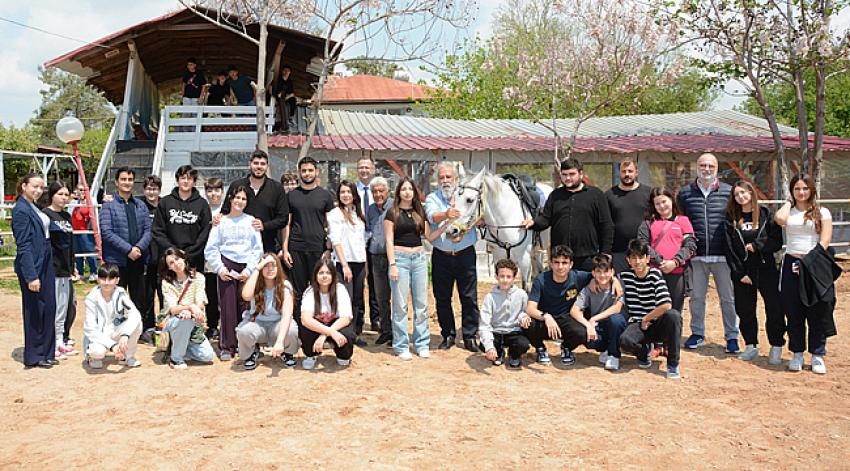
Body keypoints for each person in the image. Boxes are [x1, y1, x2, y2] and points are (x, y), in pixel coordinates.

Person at [677, 153, 739, 352]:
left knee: (728, 298)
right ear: (697, 167)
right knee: (697, 298)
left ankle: (732, 336)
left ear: (717, 168)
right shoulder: (685, 193)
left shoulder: (729, 192)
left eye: (711, 166)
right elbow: (681, 222)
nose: (707, 169)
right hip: (696, 256)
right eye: (703, 165)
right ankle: (697, 333)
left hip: (723, 255)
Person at [774, 174, 836, 374]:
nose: (801, 192)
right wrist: (788, 201)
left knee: (817, 310)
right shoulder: (789, 211)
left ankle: (817, 354)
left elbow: (825, 241)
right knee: (793, 311)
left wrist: (807, 263)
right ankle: (797, 352)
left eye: (805, 188)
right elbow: (779, 219)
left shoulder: (822, 212)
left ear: (812, 190)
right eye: (797, 189)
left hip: (814, 263)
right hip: (791, 261)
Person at [520, 245, 612, 366]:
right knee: (527, 324)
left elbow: (602, 275)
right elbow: (530, 308)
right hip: (545, 321)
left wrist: (614, 281)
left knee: (582, 332)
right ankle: (540, 348)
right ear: (551, 264)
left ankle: (567, 347)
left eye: (564, 262)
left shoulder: (578, 277)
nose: (560, 266)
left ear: (571, 264)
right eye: (556, 262)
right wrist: (546, 316)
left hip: (566, 319)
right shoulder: (541, 279)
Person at [386, 177, 446, 361]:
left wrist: (446, 225)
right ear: (398, 192)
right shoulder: (392, 212)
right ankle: (401, 345)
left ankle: (421, 344)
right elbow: (388, 240)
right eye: (403, 189)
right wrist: (393, 265)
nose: (407, 192)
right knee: (400, 305)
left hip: (419, 259)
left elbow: (429, 236)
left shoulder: (420, 211)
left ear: (414, 192)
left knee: (421, 305)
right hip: (400, 260)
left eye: (410, 189)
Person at [725, 181, 785, 363]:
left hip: (767, 269)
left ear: (751, 192)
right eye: (737, 194)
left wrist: (758, 246)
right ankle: (751, 346)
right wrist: (740, 273)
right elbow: (729, 249)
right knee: (745, 310)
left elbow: (776, 240)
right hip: (744, 273)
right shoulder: (731, 219)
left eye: (744, 192)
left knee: (774, 309)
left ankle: (776, 346)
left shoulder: (766, 214)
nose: (741, 197)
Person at [425, 162, 480, 352]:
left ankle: (470, 336)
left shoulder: (466, 195)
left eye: (449, 177)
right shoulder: (433, 197)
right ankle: (448, 334)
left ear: (456, 179)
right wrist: (446, 214)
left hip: (465, 254)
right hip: (442, 256)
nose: (445, 181)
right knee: (442, 297)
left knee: (469, 297)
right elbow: (432, 216)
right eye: (441, 178)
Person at [522, 157, 614, 271]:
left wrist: (605, 253)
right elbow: (546, 219)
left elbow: (606, 225)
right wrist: (533, 222)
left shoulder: (596, 195)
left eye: (572, 174)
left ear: (581, 174)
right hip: (561, 260)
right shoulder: (555, 196)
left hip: (588, 258)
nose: (568, 178)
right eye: (564, 175)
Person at [204, 186, 264, 361]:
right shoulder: (220, 221)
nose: (240, 201)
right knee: (227, 308)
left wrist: (249, 270)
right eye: (237, 197)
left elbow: (257, 249)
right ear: (230, 199)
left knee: (248, 307)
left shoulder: (251, 221)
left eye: (244, 199)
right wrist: (220, 269)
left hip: (246, 266)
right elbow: (211, 248)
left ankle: (249, 345)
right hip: (226, 265)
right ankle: (228, 346)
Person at [618, 239, 683, 379]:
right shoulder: (624, 276)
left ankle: (673, 364)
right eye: (633, 258)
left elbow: (666, 304)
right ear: (628, 260)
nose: (637, 261)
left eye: (641, 257)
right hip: (637, 324)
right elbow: (606, 279)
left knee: (674, 316)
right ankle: (643, 353)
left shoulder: (655, 275)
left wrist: (647, 318)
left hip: (656, 322)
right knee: (625, 341)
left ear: (647, 259)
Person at [13, 173, 58, 368]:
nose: (38, 191)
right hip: (32, 263)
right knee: (35, 310)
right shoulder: (20, 210)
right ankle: (34, 355)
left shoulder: (35, 206)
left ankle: (47, 352)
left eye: (41, 187)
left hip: (46, 260)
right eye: (34, 186)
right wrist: (31, 275)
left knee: (49, 307)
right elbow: (23, 245)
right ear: (24, 186)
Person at [282, 156, 334, 321]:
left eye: (310, 170)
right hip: (295, 249)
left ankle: (318, 326)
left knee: (318, 289)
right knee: (297, 290)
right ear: (299, 172)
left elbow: (331, 225)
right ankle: (298, 327)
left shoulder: (325, 196)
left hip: (317, 249)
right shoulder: (291, 196)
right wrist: (285, 250)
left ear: (316, 172)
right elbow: (287, 225)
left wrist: (328, 248)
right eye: (304, 170)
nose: (307, 173)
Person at [99, 167, 152, 323]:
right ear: (116, 182)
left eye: (130, 179)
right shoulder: (108, 205)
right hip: (117, 261)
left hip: (138, 259)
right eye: (123, 179)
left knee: (139, 299)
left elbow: (148, 230)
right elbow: (106, 232)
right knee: (115, 298)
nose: (127, 183)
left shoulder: (140, 205)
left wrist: (138, 248)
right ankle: (114, 328)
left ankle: (138, 328)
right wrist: (128, 249)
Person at [636, 186, 696, 313]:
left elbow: (690, 245)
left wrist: (674, 262)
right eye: (657, 203)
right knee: (652, 309)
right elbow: (643, 245)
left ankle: (674, 333)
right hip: (653, 273)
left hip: (677, 273)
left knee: (674, 311)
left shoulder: (683, 221)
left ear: (671, 200)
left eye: (664, 201)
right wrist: (660, 261)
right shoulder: (647, 223)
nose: (662, 206)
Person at [236, 253, 300, 370]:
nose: (270, 269)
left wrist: (280, 341)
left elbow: (287, 315)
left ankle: (286, 352)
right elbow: (246, 296)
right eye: (266, 266)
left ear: (278, 268)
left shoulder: (285, 286)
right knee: (243, 331)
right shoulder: (255, 284)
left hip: (277, 324)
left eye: (273, 265)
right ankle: (251, 353)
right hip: (257, 323)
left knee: (291, 330)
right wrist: (257, 268)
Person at [220, 150, 289, 253]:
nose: (259, 167)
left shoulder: (276, 188)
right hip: (238, 247)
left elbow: (283, 219)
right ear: (250, 164)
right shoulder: (237, 185)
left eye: (262, 164)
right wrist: (219, 218)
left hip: (267, 246)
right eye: (256, 163)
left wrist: (264, 225)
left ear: (267, 166)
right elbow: (226, 211)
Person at [158, 247, 215, 369]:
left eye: (177, 259)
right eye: (171, 263)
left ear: (183, 258)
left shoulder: (198, 278)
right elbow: (173, 309)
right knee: (184, 319)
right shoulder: (166, 283)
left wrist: (193, 310)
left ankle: (180, 347)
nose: (176, 264)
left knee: (207, 356)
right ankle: (176, 359)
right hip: (174, 322)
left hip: (194, 321)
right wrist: (189, 307)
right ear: (169, 267)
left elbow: (200, 302)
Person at [568, 254, 628, 371]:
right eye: (599, 272)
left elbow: (617, 308)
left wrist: (594, 318)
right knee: (584, 335)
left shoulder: (618, 285)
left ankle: (613, 355)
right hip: (598, 327)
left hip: (613, 324)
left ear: (612, 272)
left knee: (616, 320)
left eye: (606, 272)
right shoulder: (588, 289)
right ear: (593, 273)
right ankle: (604, 349)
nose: (602, 275)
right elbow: (574, 310)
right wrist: (588, 325)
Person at [327, 180, 368, 346]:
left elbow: (361, 240)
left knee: (358, 299)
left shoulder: (358, 214)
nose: (346, 195)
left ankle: (355, 332)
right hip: (344, 263)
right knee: (345, 299)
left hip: (359, 262)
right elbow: (336, 241)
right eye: (343, 192)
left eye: (349, 192)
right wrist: (344, 265)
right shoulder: (335, 214)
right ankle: (342, 333)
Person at [42, 180, 79, 360]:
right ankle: (51, 344)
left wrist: (73, 267)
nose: (64, 198)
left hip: (65, 269)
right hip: (52, 269)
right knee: (55, 307)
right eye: (60, 194)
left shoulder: (66, 216)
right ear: (52, 195)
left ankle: (60, 341)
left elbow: (70, 244)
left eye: (66, 194)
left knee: (64, 308)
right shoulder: (45, 215)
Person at [152, 165, 211, 272]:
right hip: (169, 259)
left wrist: (189, 252)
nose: (186, 181)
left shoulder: (202, 204)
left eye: (189, 178)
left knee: (193, 288)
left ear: (194, 182)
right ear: (177, 180)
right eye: (183, 178)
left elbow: (205, 232)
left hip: (194, 259)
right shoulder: (165, 202)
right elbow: (157, 230)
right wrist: (174, 251)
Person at [299, 259, 357, 369]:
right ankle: (311, 355)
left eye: (328, 273)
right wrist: (329, 332)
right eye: (321, 273)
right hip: (319, 325)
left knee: (348, 332)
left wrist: (324, 335)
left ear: (333, 275)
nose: (324, 276)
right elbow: (305, 319)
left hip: (336, 324)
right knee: (305, 329)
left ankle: (343, 355)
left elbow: (346, 318)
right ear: (315, 275)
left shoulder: (340, 289)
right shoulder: (310, 292)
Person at [83, 263, 143, 369]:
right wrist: (113, 346)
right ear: (97, 279)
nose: (106, 283)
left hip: (115, 329)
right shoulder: (91, 299)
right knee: (97, 352)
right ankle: (92, 357)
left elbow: (135, 314)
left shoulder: (121, 294)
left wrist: (125, 335)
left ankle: (127, 356)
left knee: (137, 324)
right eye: (103, 278)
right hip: (99, 335)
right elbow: (90, 329)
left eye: (111, 279)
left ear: (117, 280)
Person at [479, 259, 531, 369]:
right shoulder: (490, 297)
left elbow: (526, 311)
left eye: (509, 277)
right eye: (502, 276)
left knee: (523, 344)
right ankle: (498, 352)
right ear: (496, 277)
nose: (505, 280)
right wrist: (489, 347)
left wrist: (523, 317)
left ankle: (514, 355)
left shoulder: (522, 295)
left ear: (514, 277)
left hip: (514, 332)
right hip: (496, 332)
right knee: (484, 344)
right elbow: (484, 324)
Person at [606, 159, 651, 272]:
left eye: (630, 171)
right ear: (619, 172)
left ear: (636, 172)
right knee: (621, 287)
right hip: (618, 253)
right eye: (623, 171)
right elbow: (605, 224)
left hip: (643, 254)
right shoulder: (609, 195)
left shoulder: (648, 193)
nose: (627, 174)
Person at [366, 176, 394, 345]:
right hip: (375, 257)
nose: (378, 194)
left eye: (381, 191)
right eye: (374, 191)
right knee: (381, 296)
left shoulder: (394, 206)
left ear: (387, 191)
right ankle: (386, 330)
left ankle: (397, 332)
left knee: (396, 296)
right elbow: (368, 231)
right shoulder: (370, 209)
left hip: (393, 257)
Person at [141, 175, 162, 343]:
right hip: (146, 257)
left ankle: (163, 326)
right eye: (148, 189)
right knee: (147, 296)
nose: (151, 192)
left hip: (162, 258)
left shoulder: (164, 205)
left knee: (164, 294)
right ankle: (148, 327)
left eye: (154, 189)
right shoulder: (140, 206)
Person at [203, 177, 225, 339]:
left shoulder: (227, 210)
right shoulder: (202, 209)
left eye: (217, 190)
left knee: (225, 296)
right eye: (210, 190)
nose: (213, 194)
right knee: (210, 296)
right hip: (206, 261)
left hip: (224, 260)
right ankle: (212, 326)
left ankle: (226, 325)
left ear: (222, 192)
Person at [70, 183, 97, 281]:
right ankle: (80, 273)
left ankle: (94, 272)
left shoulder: (90, 201)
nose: (81, 192)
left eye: (83, 190)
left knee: (89, 252)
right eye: (79, 190)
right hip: (75, 231)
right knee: (77, 253)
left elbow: (92, 213)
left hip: (85, 231)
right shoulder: (74, 202)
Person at [272, 65, 297, 132]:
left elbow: (292, 92)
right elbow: (273, 90)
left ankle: (291, 117)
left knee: (293, 101)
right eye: (285, 71)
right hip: (279, 97)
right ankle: (283, 123)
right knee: (282, 107)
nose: (286, 72)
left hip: (286, 97)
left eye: (288, 71)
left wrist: (289, 96)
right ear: (282, 71)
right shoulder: (278, 80)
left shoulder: (289, 82)